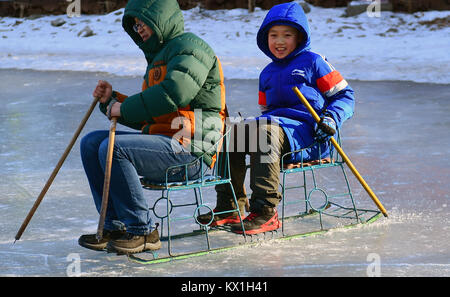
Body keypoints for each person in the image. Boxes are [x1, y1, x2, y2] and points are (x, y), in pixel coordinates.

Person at [78, 0, 226, 254]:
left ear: (161, 16)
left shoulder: (191, 48)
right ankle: (116, 226)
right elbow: (151, 115)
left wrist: (123, 108)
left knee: (114, 149)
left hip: (192, 152)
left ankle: (142, 230)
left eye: (142, 22)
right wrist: (112, 102)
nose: (139, 29)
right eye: (135, 26)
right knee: (92, 143)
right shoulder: (159, 58)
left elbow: (174, 92)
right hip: (167, 144)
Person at [198, 2, 355, 235]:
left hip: (311, 134)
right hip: (279, 134)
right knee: (233, 133)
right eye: (273, 35)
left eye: (287, 35)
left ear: (299, 37)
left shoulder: (314, 62)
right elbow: (266, 111)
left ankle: (265, 212)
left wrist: (331, 119)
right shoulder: (267, 73)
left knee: (264, 133)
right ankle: (229, 206)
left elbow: (345, 96)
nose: (279, 41)